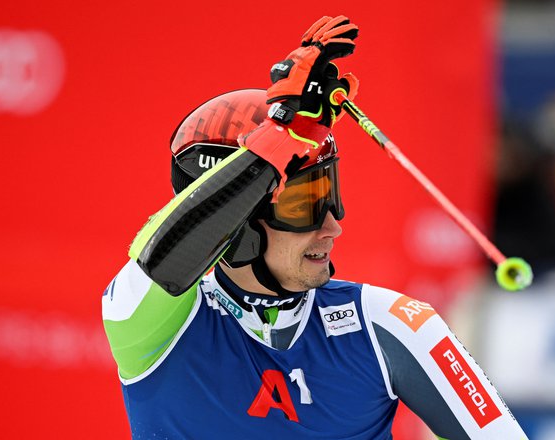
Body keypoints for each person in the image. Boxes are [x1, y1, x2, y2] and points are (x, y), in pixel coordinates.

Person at [102, 15, 528, 440]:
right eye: (304, 203)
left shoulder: (391, 324)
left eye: (328, 195)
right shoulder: (153, 325)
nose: (331, 227)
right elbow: (161, 258)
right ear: (238, 222)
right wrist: (282, 136)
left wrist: (290, 135)